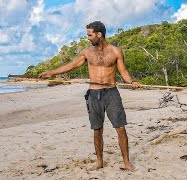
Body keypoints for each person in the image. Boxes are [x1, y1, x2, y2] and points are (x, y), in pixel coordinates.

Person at [39, 21, 141, 171]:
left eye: (90, 35)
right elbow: (72, 65)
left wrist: (132, 81)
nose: (88, 38)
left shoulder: (115, 51)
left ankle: (126, 162)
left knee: (120, 128)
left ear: (99, 35)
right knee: (97, 129)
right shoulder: (87, 52)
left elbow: (123, 71)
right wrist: (51, 72)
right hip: (93, 94)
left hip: (112, 93)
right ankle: (99, 161)